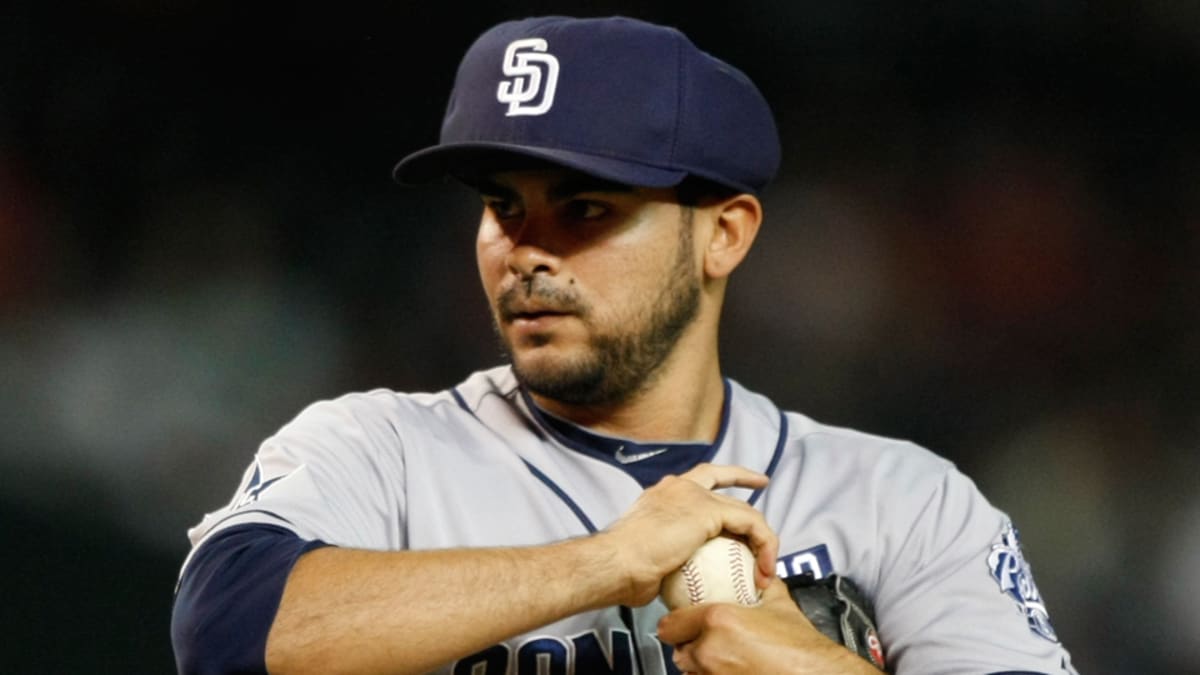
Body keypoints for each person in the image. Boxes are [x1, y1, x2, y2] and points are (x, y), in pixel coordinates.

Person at [170, 15, 1077, 675]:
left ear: (724, 233)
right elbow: (226, 631)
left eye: (585, 208)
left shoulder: (903, 503)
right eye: (502, 205)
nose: (526, 249)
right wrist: (604, 562)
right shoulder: (379, 451)